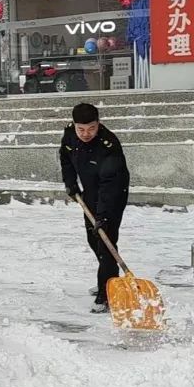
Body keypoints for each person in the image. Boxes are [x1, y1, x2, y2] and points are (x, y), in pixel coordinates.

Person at [59, 103, 130, 314]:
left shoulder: (109, 146)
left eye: (91, 128)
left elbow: (111, 186)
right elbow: (65, 157)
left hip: (114, 193)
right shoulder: (70, 135)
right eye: (81, 129)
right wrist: (70, 183)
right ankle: (108, 280)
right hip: (89, 191)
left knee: (106, 240)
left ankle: (106, 293)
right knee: (93, 239)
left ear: (98, 124)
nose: (86, 134)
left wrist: (104, 216)